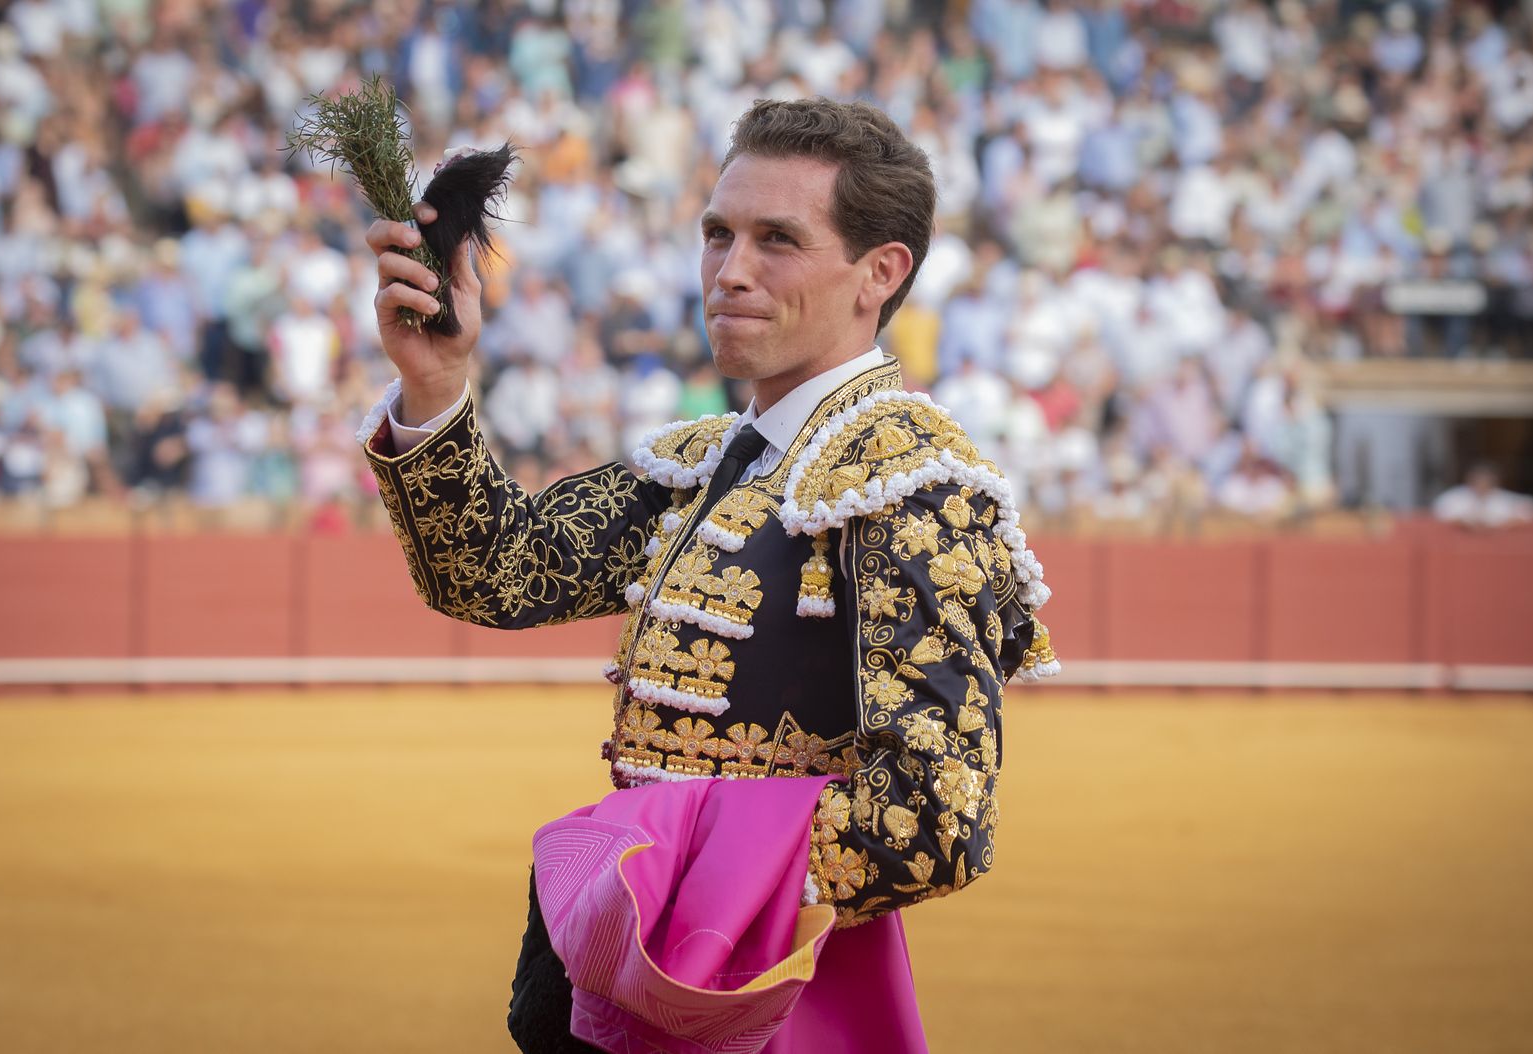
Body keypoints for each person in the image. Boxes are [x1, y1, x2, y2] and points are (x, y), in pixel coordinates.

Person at [357, 98, 1059, 1051]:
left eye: (779, 240)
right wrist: (436, 383)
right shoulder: (703, 462)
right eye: (718, 234)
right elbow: (499, 571)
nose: (731, 271)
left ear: (880, 272)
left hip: (771, 984)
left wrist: (690, 888)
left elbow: (937, 815)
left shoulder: (912, 483)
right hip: (649, 964)